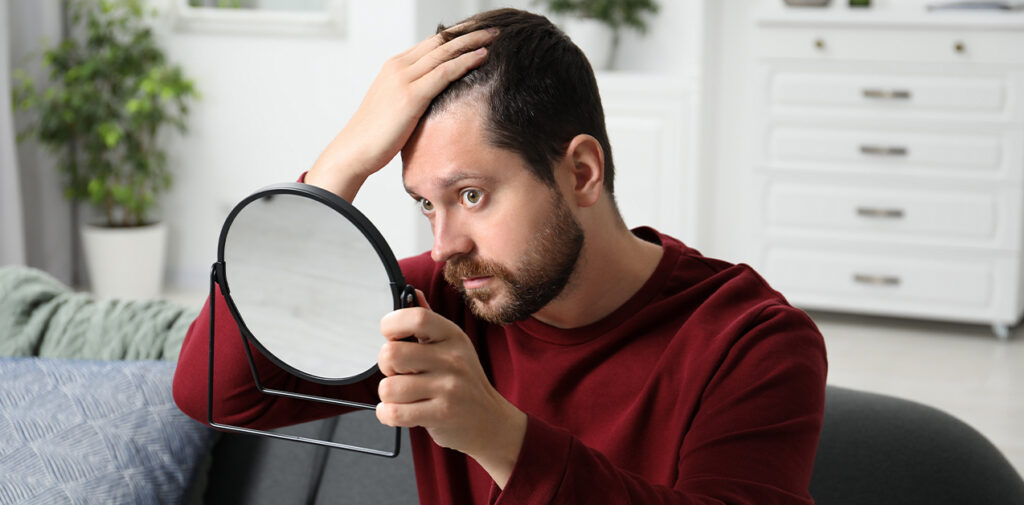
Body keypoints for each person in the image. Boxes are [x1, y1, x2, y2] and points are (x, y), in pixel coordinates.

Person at [173, 8, 828, 505]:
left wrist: (496, 433)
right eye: (427, 204)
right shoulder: (440, 299)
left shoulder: (753, 342)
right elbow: (213, 390)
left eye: (471, 193)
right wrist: (338, 166)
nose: (444, 243)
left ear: (581, 172)